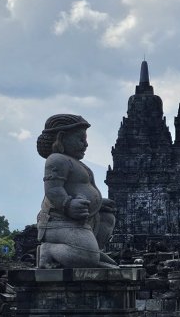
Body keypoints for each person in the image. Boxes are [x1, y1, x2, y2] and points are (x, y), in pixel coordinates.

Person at [35, 114, 118, 268]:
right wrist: (68, 204)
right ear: (61, 138)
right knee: (88, 257)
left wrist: (99, 203)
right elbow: (53, 190)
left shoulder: (75, 163)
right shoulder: (56, 159)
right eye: (81, 139)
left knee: (107, 217)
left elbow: (80, 186)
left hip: (81, 221)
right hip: (58, 222)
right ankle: (50, 250)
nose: (85, 144)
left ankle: (90, 252)